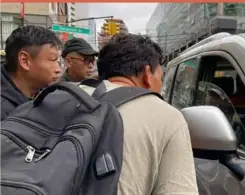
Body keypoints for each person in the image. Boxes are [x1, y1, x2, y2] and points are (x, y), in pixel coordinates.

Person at [79, 33, 199, 195]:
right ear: (148, 73)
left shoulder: (59, 98)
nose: (161, 86)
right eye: (161, 78)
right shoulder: (166, 116)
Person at [1, 25, 61, 120]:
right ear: (25, 61)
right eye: (52, 60)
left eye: (58, 62)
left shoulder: (45, 95)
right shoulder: (4, 113)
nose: (58, 69)